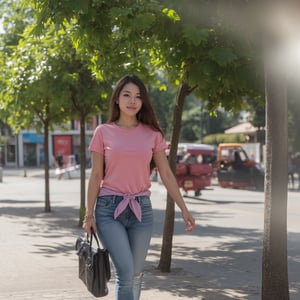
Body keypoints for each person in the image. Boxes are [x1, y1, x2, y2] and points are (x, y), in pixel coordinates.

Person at [82, 74, 196, 300]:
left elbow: (166, 173)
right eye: (126, 95)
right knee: (125, 273)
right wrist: (88, 214)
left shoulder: (152, 134)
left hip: (141, 210)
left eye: (138, 96)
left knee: (135, 274)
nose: (132, 101)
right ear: (117, 99)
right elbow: (96, 175)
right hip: (108, 210)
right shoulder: (103, 132)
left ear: (143, 101)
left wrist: (184, 208)